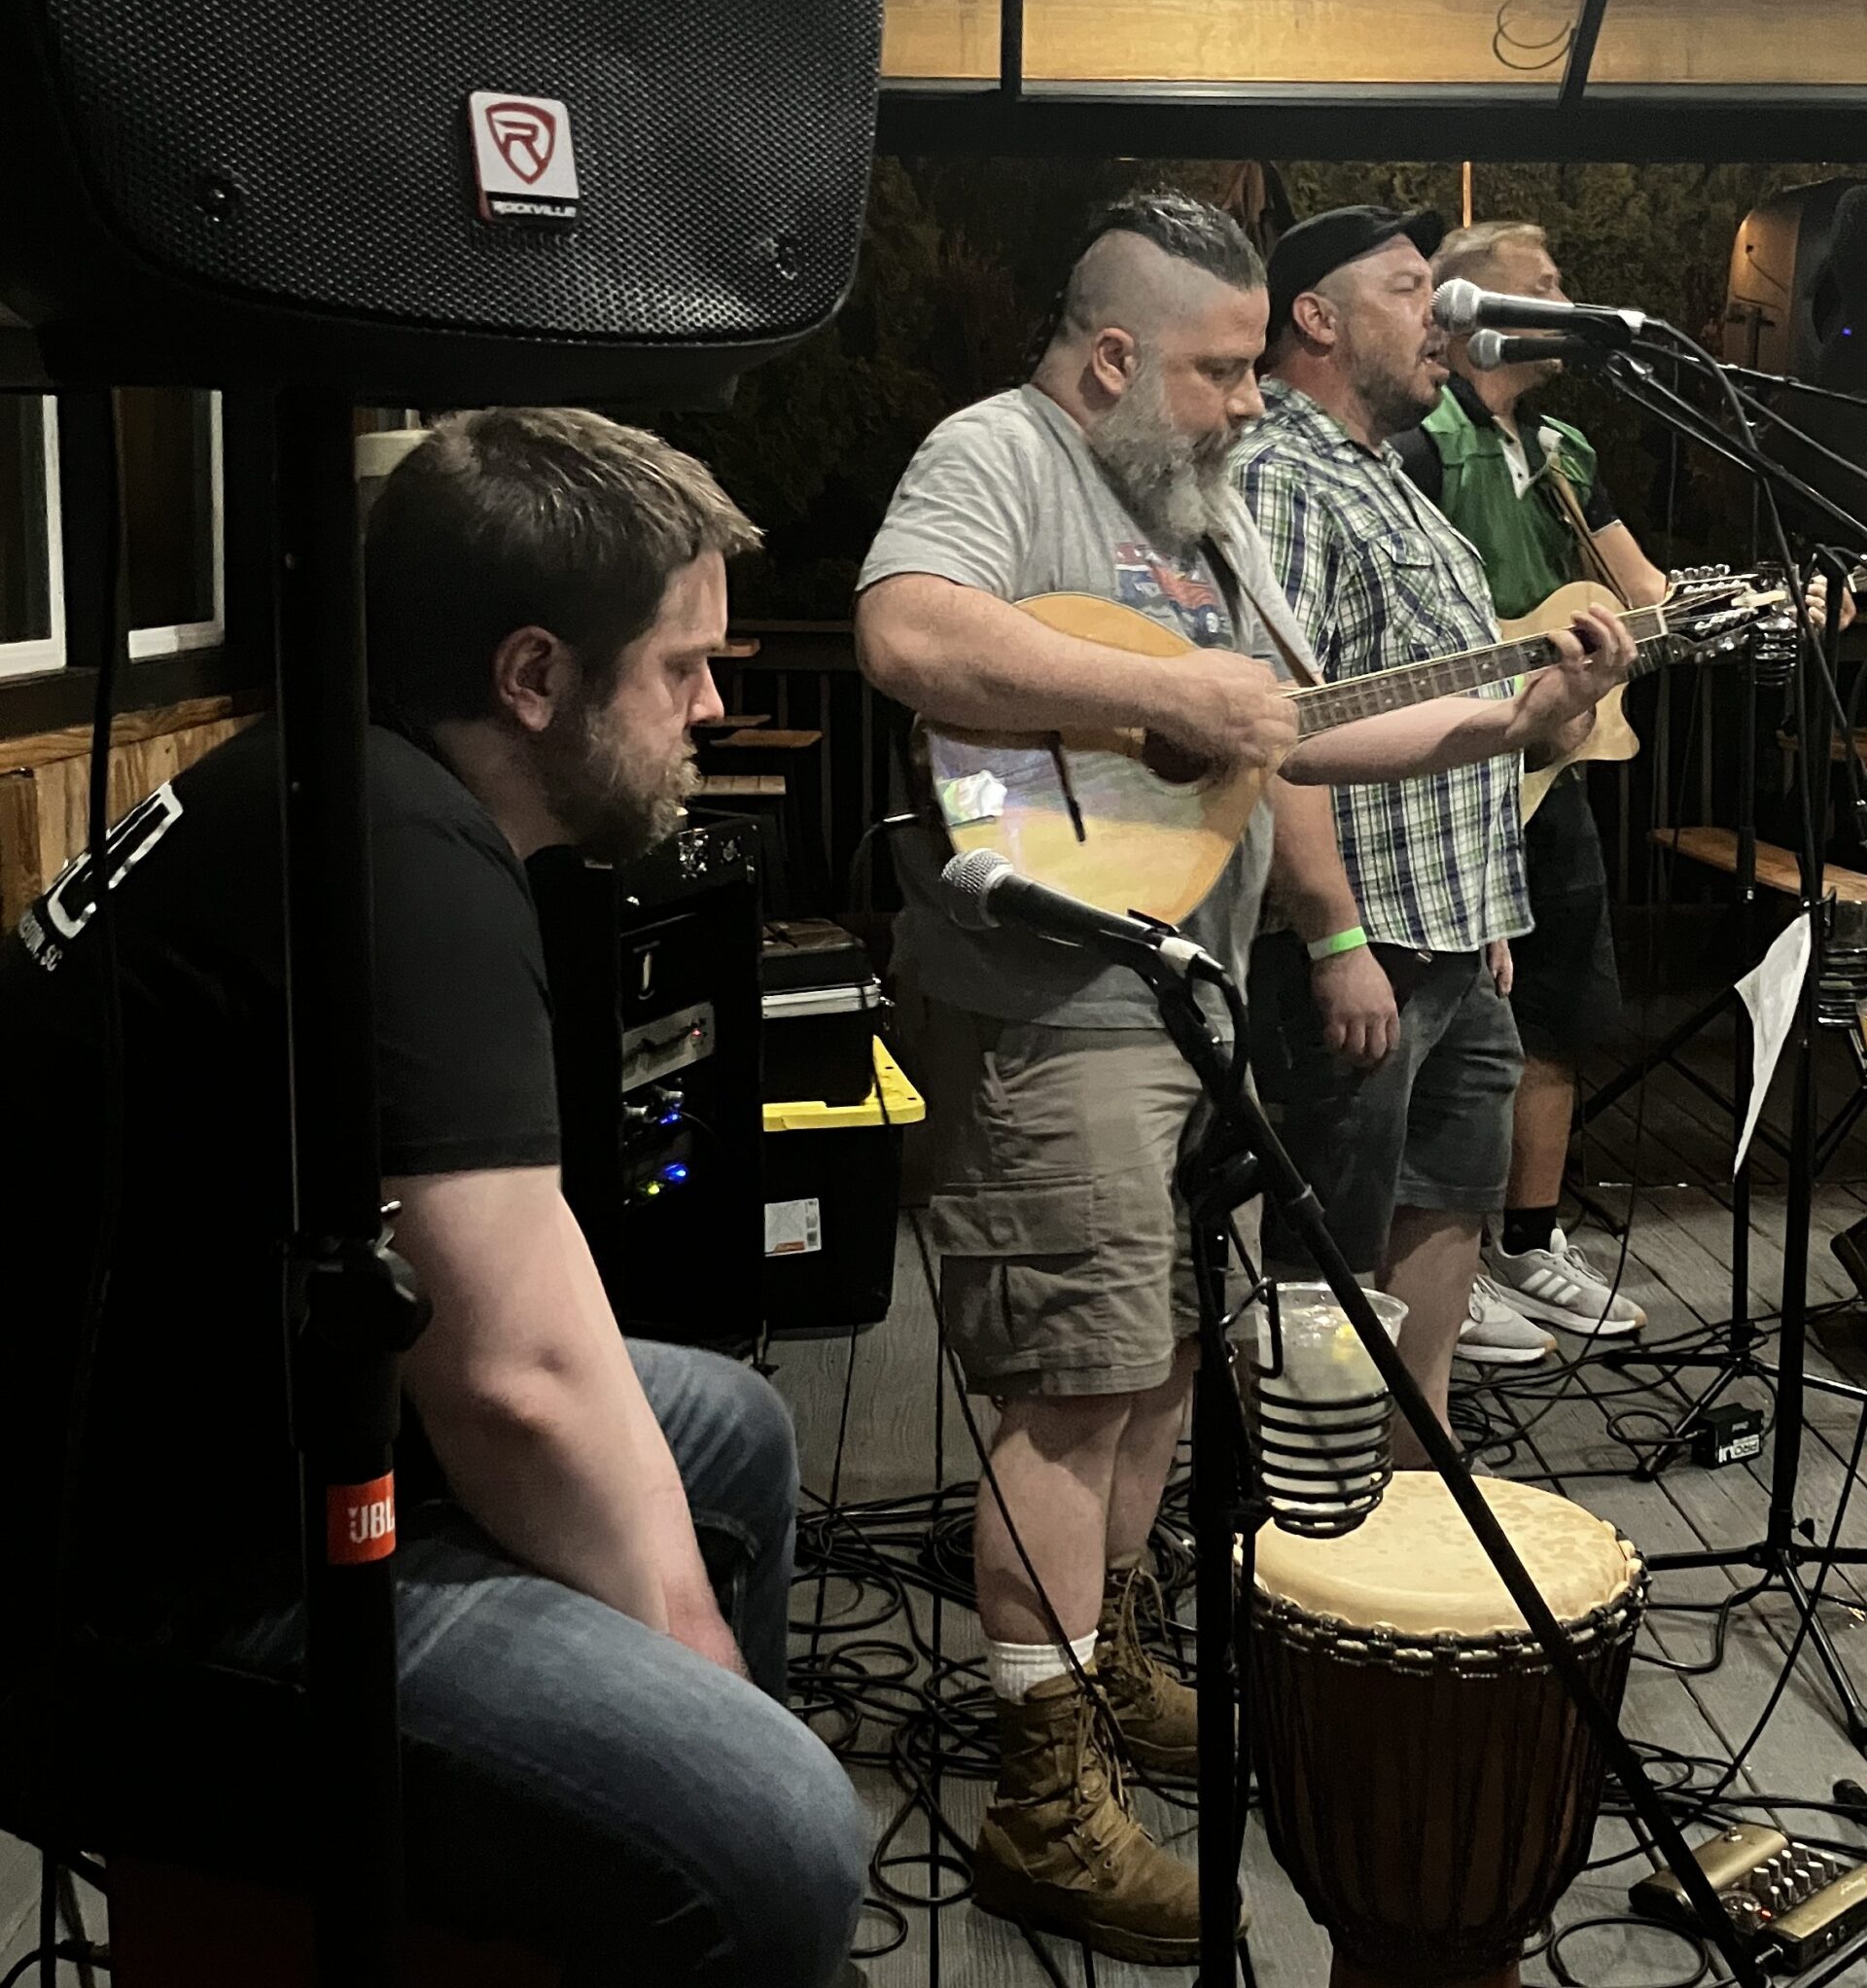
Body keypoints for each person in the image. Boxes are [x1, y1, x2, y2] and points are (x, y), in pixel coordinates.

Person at [856, 192, 1632, 1964]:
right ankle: (1041, 1801)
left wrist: (1514, 709)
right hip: (1043, 1003)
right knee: (1073, 1385)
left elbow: (1307, 720)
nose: (1243, 402)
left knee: (1148, 1371)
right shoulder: (1003, 454)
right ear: (1115, 355)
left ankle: (1108, 1665)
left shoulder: (1204, 511)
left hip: (1177, 993)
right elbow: (904, 635)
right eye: (1215, 370)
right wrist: (1169, 705)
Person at [0, 409, 866, 1988]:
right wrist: (692, 1653)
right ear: (533, 679)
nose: (715, 707)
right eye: (681, 667)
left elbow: (514, 1293)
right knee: (779, 1827)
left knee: (727, 1429)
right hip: (137, 1607)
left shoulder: (338, 790)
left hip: (209, 1455)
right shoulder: (410, 866)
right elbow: (512, 1386)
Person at [1231, 206, 1638, 1445]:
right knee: (1332, 1270)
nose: (1440, 316)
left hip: (1458, 942)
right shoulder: (1282, 477)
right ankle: (1316, 1538)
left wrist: (1485, 908)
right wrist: (1333, 934)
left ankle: (1421, 1498)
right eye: (1411, 290)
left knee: (1445, 1227)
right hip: (1365, 953)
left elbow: (1447, 711)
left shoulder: (1384, 479)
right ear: (1315, 317)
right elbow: (1277, 728)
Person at [1394, 219, 1666, 1342]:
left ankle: (1524, 1240)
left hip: (1550, 769)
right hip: (1449, 768)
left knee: (1555, 1004)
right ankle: (1425, 1263)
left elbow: (1639, 587)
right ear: (1467, 312)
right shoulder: (1423, 438)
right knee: (1449, 1016)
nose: (1567, 302)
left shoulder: (1561, 449)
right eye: (1544, 286)